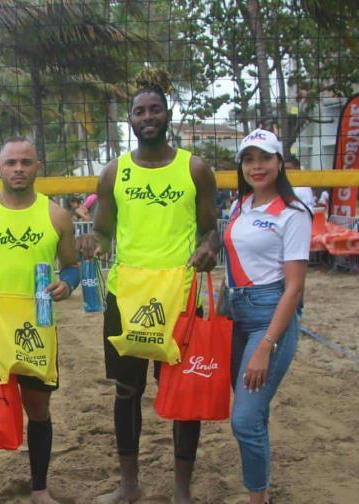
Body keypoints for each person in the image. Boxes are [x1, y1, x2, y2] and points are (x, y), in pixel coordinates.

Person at [77, 71, 219, 504]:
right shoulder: (113, 172)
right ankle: (129, 485)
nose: (148, 116)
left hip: (179, 292)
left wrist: (210, 249)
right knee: (126, 390)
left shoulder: (194, 168)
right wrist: (91, 244)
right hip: (127, 292)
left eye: (154, 108)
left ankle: (181, 491)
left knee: (183, 392)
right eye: (139, 111)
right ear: (130, 120)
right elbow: (102, 233)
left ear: (168, 114)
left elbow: (211, 232)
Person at [0, 137, 79, 504]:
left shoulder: (56, 215)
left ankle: (39, 488)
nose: (18, 168)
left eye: (26, 162)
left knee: (38, 409)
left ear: (38, 166)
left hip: (37, 328)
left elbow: (70, 268)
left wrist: (66, 285)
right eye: (11, 163)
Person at [224, 129, 311, 504]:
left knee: (243, 419)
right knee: (254, 414)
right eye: (248, 159)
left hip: (268, 315)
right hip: (236, 314)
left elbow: (294, 288)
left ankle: (257, 499)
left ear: (279, 162)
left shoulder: (293, 214)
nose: (256, 166)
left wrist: (266, 345)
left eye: (264, 158)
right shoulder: (239, 207)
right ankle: (262, 490)